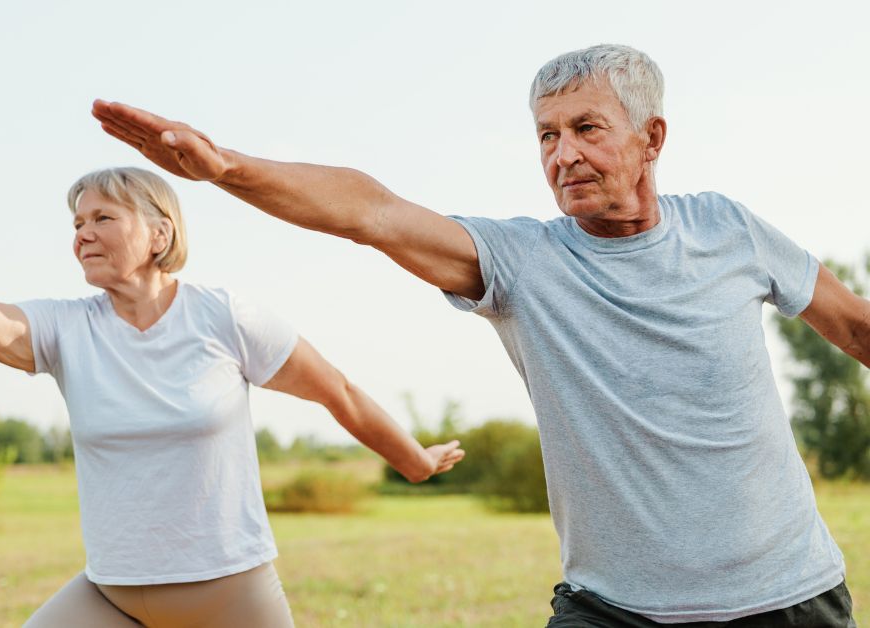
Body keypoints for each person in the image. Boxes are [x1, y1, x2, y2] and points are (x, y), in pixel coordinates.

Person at [91, 44, 870, 626]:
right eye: (546, 136)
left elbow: (857, 327)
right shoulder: (523, 262)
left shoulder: (728, 229)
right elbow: (372, 212)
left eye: (587, 129)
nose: (563, 155)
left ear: (652, 137)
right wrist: (228, 169)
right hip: (617, 610)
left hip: (787, 597)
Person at [0, 166, 465, 628]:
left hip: (229, 596)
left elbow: (337, 391)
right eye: (75, 223)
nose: (82, 234)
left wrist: (415, 461)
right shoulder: (64, 331)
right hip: (113, 595)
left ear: (159, 231)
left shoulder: (223, 316)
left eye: (102, 217)